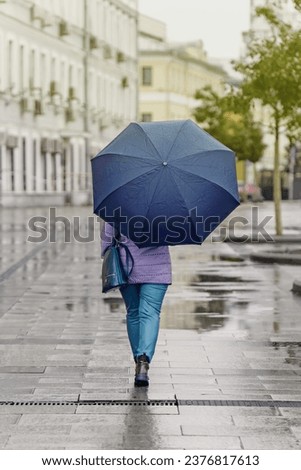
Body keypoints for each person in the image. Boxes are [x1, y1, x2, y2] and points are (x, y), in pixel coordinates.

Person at [101, 222, 172, 387]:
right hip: (157, 266)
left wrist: (106, 252)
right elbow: (176, 235)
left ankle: (138, 361)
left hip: (127, 264)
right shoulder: (168, 202)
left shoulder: (119, 200)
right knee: (150, 313)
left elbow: (108, 236)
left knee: (133, 312)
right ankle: (143, 360)